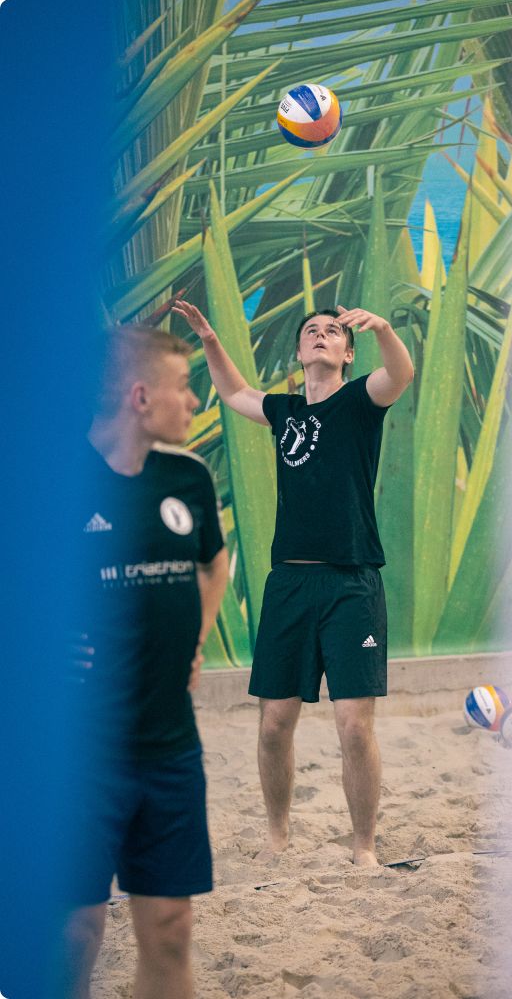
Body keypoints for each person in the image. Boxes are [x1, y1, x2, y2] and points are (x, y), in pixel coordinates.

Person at [173, 300, 413, 867]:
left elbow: (400, 373)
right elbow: (234, 394)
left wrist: (381, 327)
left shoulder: (361, 401)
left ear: (347, 353)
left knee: (354, 726)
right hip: (289, 585)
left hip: (352, 584)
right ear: (300, 353)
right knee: (276, 723)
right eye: (312, 332)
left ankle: (364, 849)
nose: (322, 336)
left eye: (333, 331)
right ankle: (278, 837)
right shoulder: (283, 411)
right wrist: (209, 338)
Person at [62, 325, 229, 999]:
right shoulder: (56, 485)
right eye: (183, 387)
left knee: (169, 929)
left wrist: (198, 634)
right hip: (78, 758)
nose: (194, 403)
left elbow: (215, 562)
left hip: (169, 749)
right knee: (73, 937)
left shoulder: (187, 477)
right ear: (139, 396)